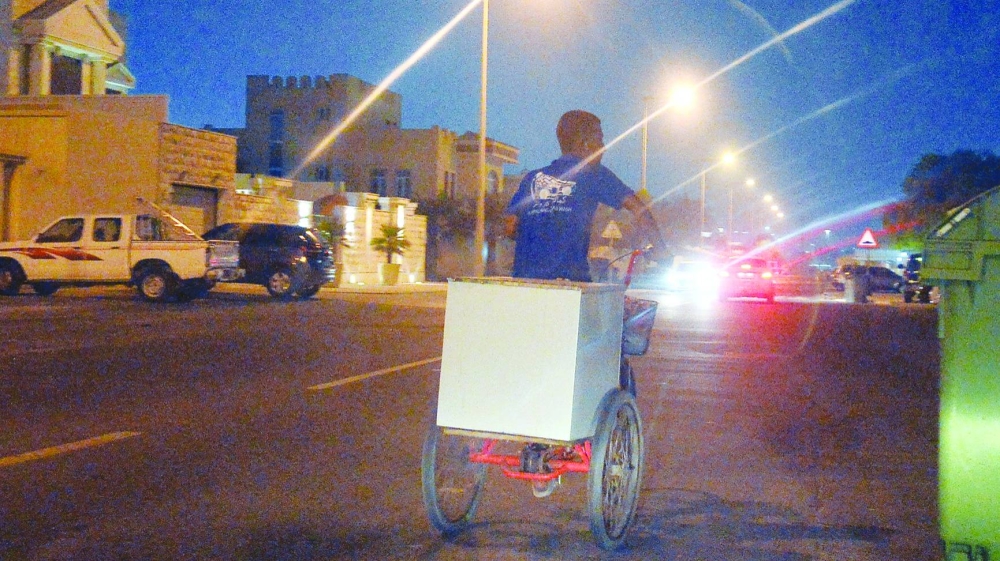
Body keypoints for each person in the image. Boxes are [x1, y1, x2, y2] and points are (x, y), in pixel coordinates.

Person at [504, 109, 668, 281]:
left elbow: (510, 227)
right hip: (569, 286)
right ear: (585, 144)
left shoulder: (532, 178)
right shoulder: (594, 174)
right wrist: (661, 250)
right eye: (600, 140)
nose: (603, 147)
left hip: (524, 284)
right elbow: (638, 208)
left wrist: (541, 227)